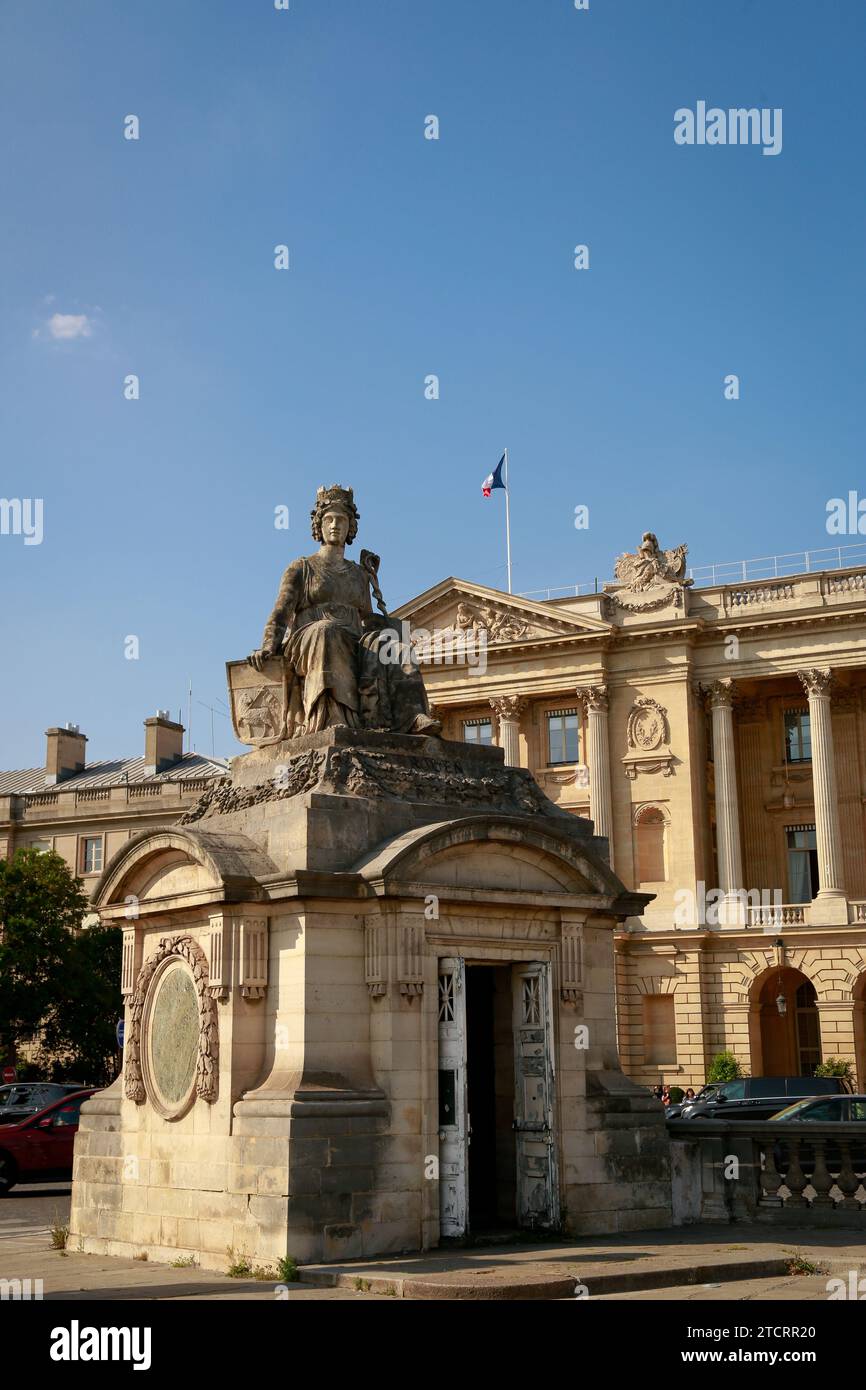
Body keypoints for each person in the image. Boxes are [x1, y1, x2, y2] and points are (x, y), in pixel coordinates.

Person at [248, 484, 441, 739]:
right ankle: (332, 719)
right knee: (328, 631)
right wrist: (267, 646)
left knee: (394, 644)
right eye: (329, 519)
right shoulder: (301, 568)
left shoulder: (358, 575)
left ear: (351, 526)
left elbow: (367, 620)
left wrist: (389, 629)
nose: (335, 525)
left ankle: (411, 716)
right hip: (309, 639)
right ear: (318, 525)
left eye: (342, 519)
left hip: (352, 638)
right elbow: (281, 612)